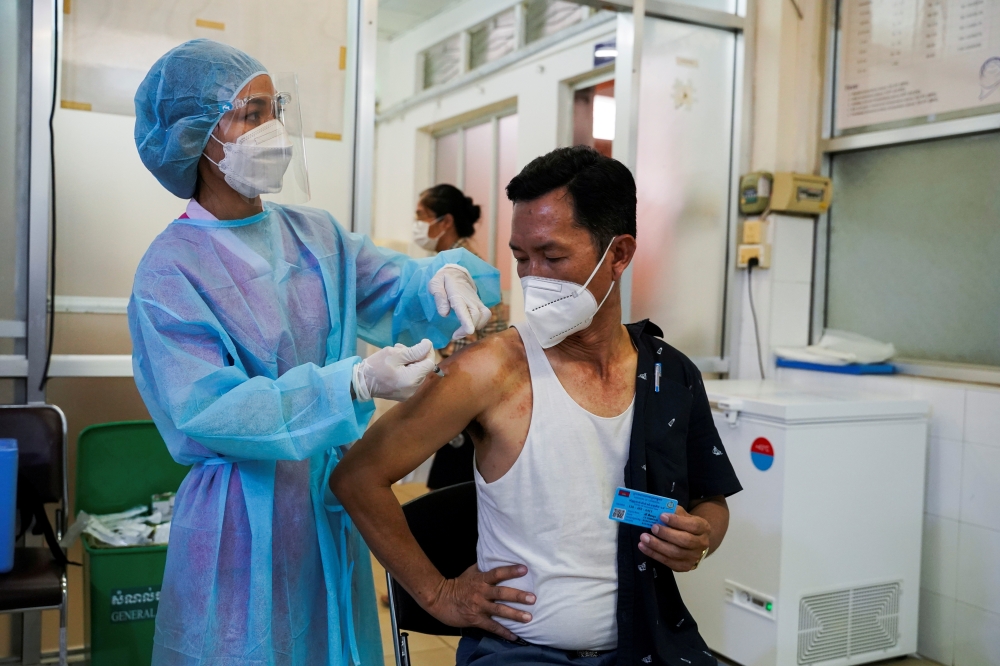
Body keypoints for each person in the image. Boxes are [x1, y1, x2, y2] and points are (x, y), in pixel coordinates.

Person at [128, 39, 500, 666]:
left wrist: (447, 278)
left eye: (276, 108)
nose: (272, 127)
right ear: (198, 138)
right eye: (251, 113)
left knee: (333, 643)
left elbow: (398, 287)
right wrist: (348, 384)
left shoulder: (315, 235)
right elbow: (209, 411)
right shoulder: (168, 273)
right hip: (238, 523)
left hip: (328, 502)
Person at [331, 146, 743, 666]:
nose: (533, 279)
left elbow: (712, 502)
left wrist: (702, 540)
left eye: (552, 257)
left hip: (649, 645)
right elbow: (357, 476)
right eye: (521, 258)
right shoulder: (491, 371)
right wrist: (437, 594)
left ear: (618, 254)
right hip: (521, 654)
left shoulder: (668, 374)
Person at [412, 185, 508, 489]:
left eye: (421, 216)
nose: (416, 225)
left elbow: (464, 351)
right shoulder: (450, 266)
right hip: (464, 396)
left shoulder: (463, 273)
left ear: (446, 222)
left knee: (452, 493)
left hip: (469, 400)